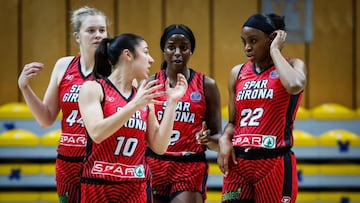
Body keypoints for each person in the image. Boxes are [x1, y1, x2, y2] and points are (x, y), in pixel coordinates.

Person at [77, 33, 188, 203]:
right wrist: (135, 105)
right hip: (97, 184)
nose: (151, 60)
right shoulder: (93, 88)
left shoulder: (143, 98)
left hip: (135, 186)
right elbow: (97, 133)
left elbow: (159, 146)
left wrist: (172, 102)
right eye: (146, 52)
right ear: (127, 54)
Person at [17, 6, 109, 203]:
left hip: (100, 161)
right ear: (77, 36)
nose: (98, 35)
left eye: (102, 30)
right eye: (91, 30)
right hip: (67, 161)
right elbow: (46, 118)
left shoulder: (116, 70)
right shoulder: (63, 66)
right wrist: (24, 87)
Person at [217, 13, 307, 203]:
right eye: (244, 42)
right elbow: (233, 122)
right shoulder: (238, 72)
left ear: (272, 38)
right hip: (238, 164)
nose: (247, 47)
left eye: (254, 40)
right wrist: (225, 138)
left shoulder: (293, 65)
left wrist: (275, 51)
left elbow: (294, 85)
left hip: (273, 162)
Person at [145, 24, 222, 203]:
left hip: (189, 166)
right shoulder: (151, 83)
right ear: (164, 50)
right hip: (154, 163)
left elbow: (217, 138)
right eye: (172, 47)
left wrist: (208, 139)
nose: (177, 52)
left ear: (191, 51)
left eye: (184, 47)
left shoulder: (206, 85)